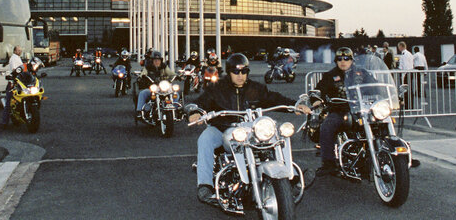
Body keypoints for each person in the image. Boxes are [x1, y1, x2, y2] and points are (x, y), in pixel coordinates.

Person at [187, 53, 302, 205]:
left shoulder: (256, 88)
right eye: (236, 72)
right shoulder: (217, 88)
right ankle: (205, 186)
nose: (240, 75)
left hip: (250, 129)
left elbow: (274, 98)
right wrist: (194, 112)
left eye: (244, 71)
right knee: (205, 139)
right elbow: (200, 102)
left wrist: (294, 106)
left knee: (276, 136)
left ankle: (291, 179)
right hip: (223, 128)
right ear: (229, 72)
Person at [300, 47, 375, 176]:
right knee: (327, 127)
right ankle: (328, 163)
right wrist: (316, 100)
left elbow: (374, 86)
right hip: (340, 110)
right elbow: (319, 90)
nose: (343, 61)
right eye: (339, 59)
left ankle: (393, 154)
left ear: (352, 60)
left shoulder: (362, 73)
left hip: (361, 110)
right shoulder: (330, 76)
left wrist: (386, 95)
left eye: (346, 58)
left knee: (380, 122)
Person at [135, 50, 176, 119]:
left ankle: (175, 109)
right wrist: (142, 76)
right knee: (143, 93)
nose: (157, 61)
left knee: (175, 93)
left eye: (158, 60)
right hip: (153, 87)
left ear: (161, 60)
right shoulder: (148, 67)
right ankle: (139, 111)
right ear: (152, 60)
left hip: (164, 87)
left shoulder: (164, 67)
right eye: (155, 60)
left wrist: (177, 76)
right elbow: (143, 73)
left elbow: (171, 73)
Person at [1, 46, 24, 127]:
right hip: (12, 82)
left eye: (20, 50)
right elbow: (15, 69)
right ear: (14, 51)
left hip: (18, 81)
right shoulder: (14, 58)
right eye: (18, 50)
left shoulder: (18, 58)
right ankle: (4, 122)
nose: (20, 51)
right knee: (8, 102)